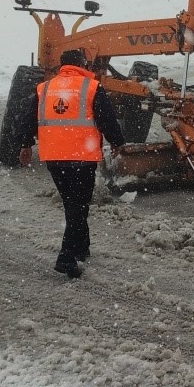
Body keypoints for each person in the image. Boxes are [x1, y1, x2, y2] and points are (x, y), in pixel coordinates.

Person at [25, 49, 125, 278]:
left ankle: (82, 247)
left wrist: (25, 144)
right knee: (78, 206)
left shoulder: (44, 88)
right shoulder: (90, 87)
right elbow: (106, 118)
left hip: (54, 157)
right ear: (82, 64)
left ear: (62, 65)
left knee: (73, 203)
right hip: (82, 156)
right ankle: (66, 256)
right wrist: (118, 141)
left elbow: (29, 117)